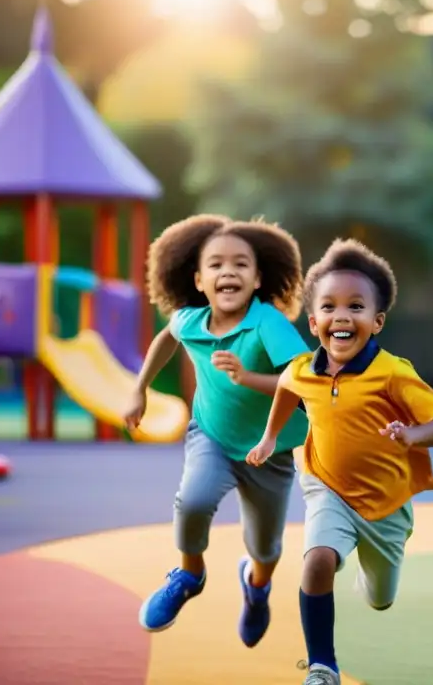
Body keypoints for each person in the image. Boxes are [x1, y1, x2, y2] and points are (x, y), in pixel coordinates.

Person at [246, 238, 433, 685]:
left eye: (356, 307)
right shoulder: (304, 368)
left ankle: (370, 575)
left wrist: (412, 435)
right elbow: (286, 387)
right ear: (314, 320)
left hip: (385, 505)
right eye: (330, 307)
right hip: (328, 487)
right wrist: (269, 439)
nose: (342, 316)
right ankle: (323, 666)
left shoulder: (394, 372)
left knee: (381, 598)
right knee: (317, 559)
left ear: (377, 321)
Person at [124, 215, 310, 647]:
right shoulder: (191, 320)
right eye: (216, 265)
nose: (229, 271)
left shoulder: (269, 324)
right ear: (199, 280)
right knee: (193, 501)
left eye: (242, 264)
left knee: (266, 548)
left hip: (271, 449)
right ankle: (189, 574)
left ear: (259, 278)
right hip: (211, 436)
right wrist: (140, 389)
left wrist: (247, 377)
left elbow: (304, 381)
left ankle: (257, 586)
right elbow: (167, 337)